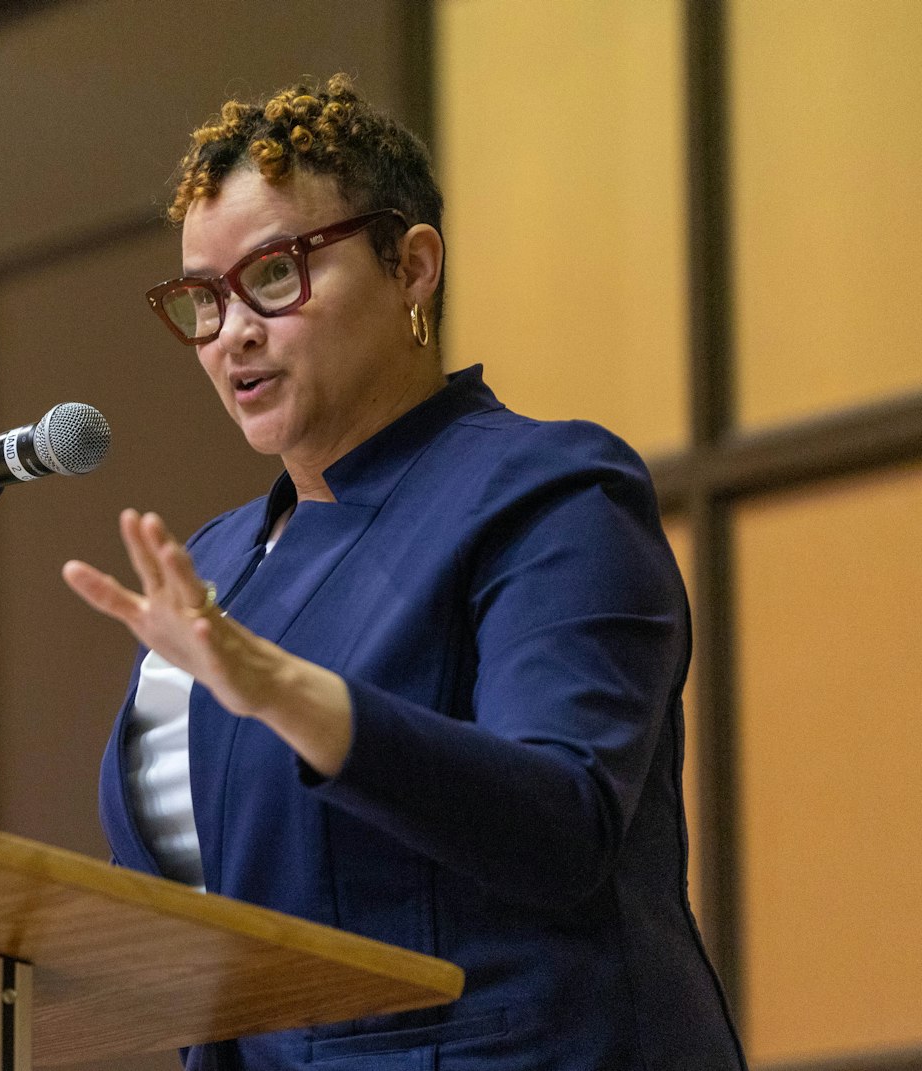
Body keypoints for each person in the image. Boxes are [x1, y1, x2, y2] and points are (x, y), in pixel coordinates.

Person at [60, 75, 747, 1071]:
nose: (232, 333)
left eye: (274, 276)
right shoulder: (209, 567)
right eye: (203, 299)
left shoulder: (547, 493)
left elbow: (561, 822)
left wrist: (281, 690)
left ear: (411, 265)